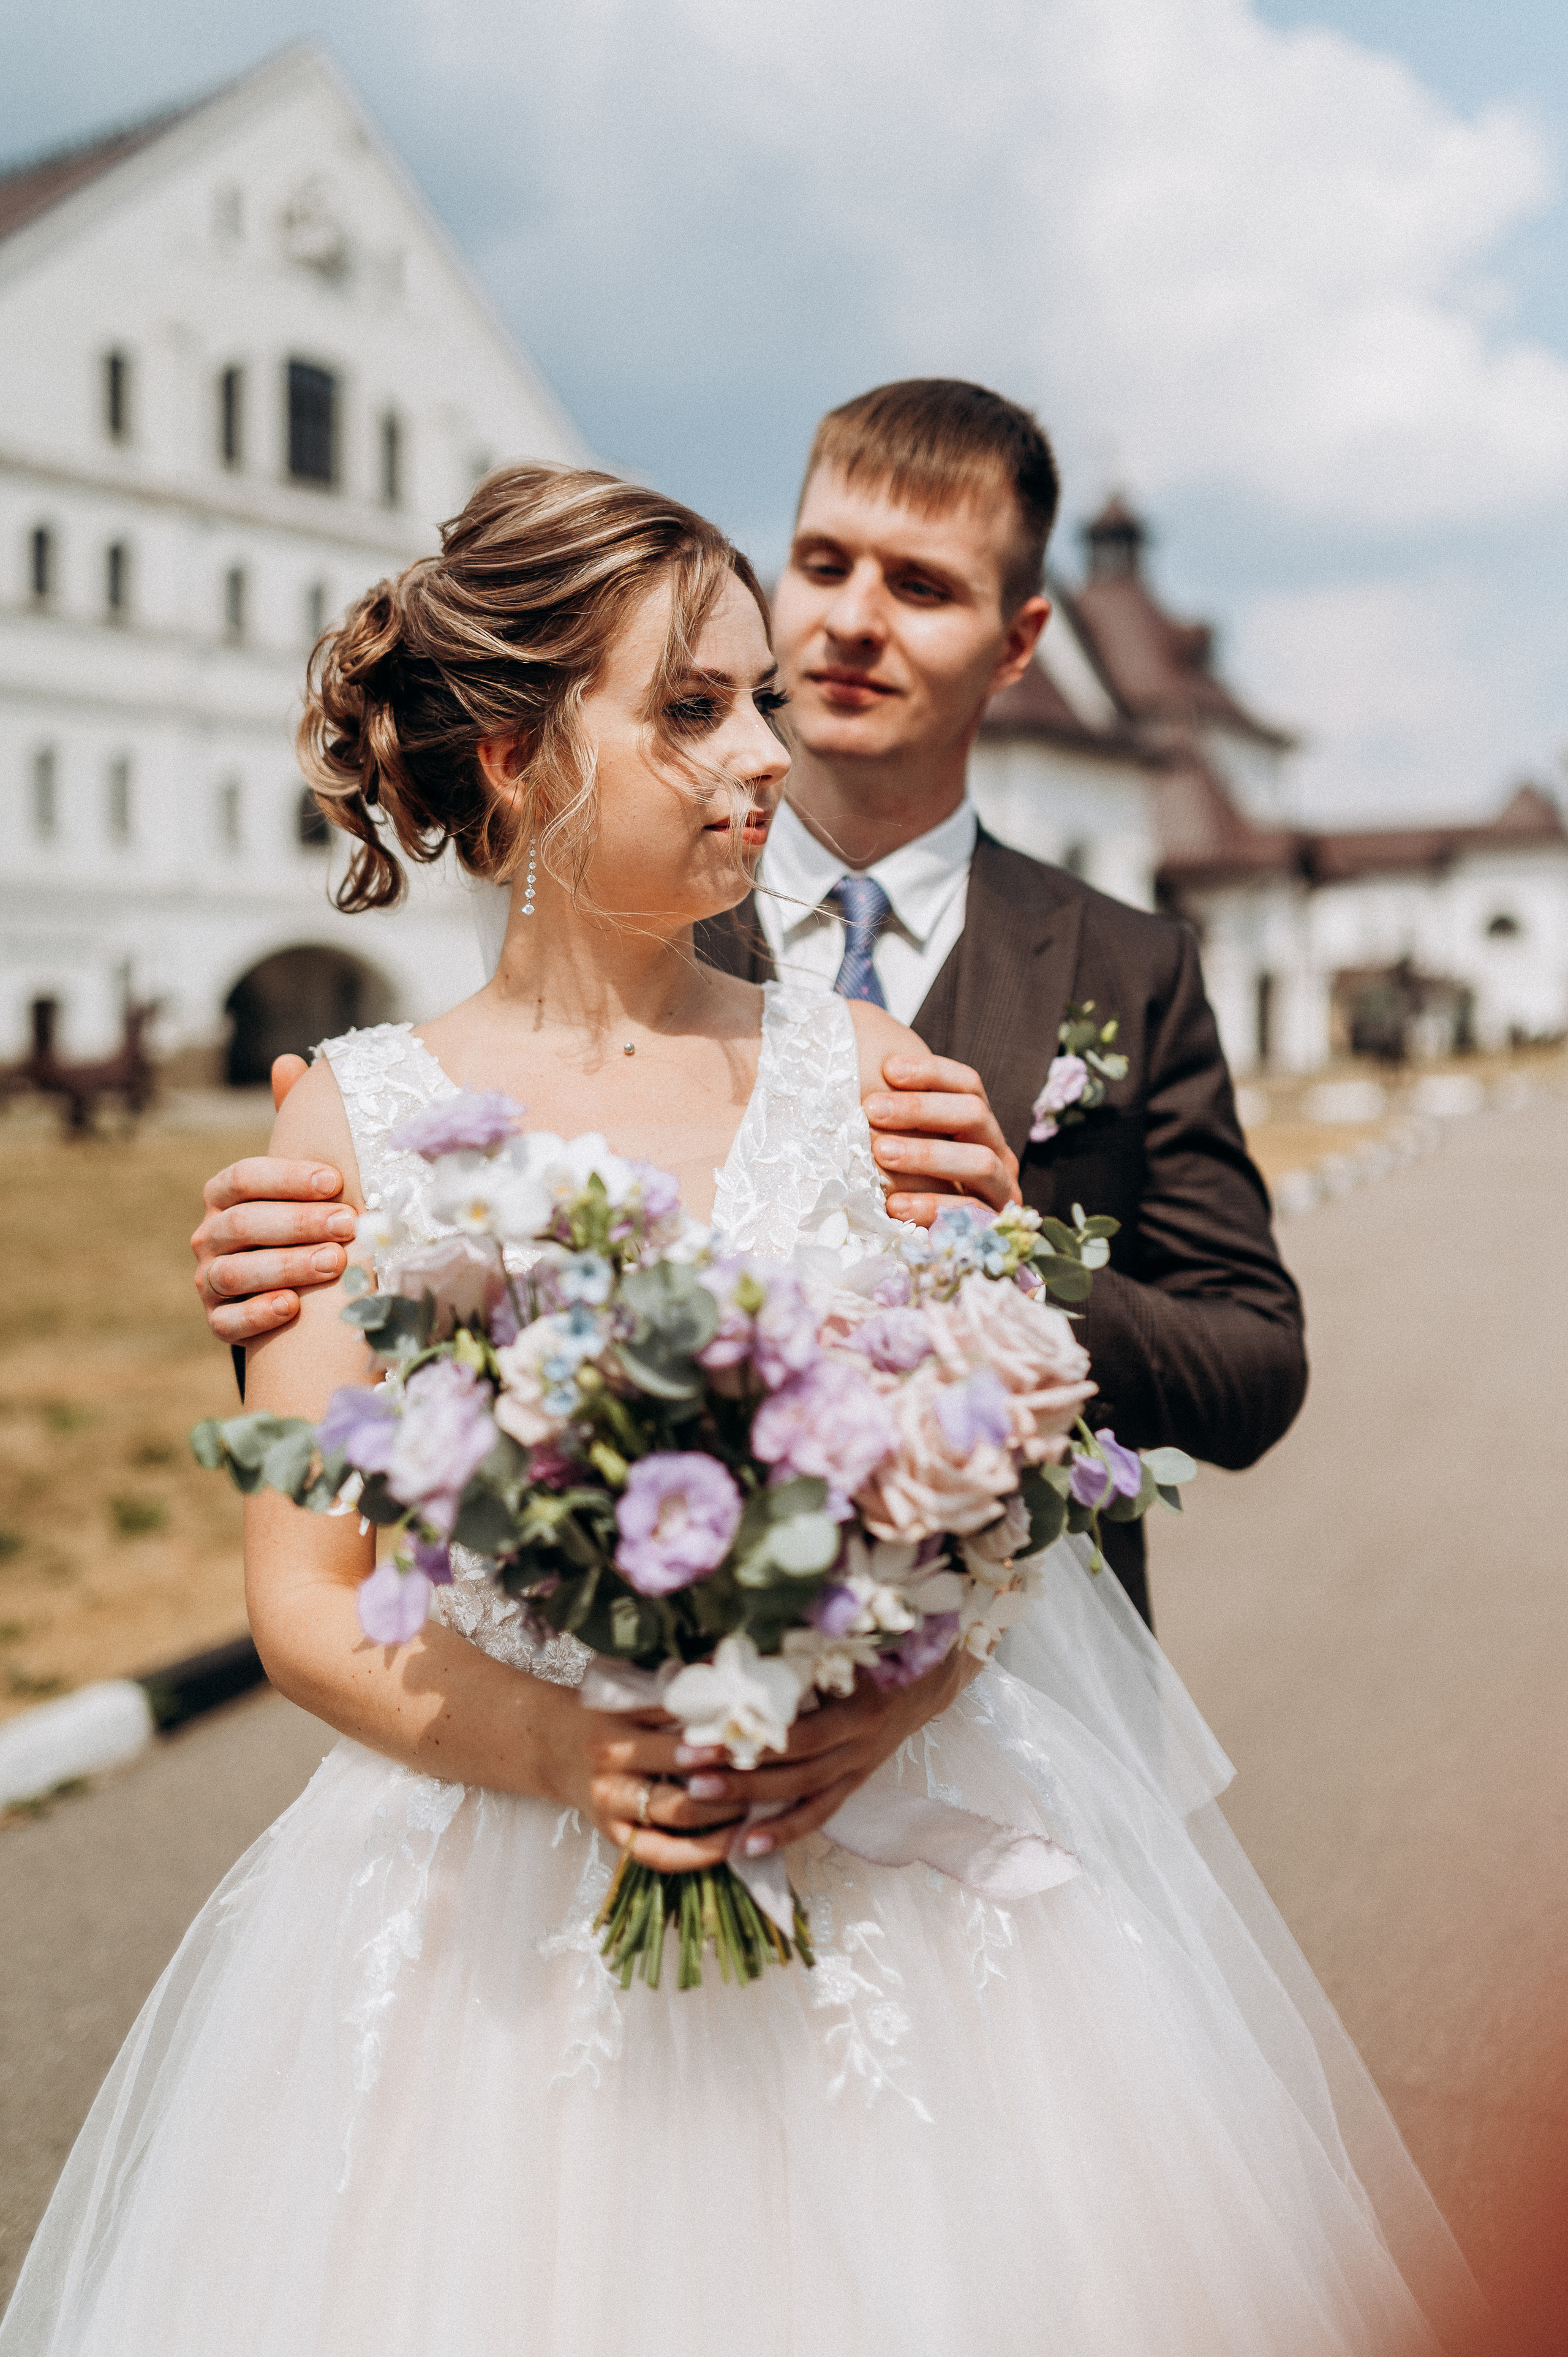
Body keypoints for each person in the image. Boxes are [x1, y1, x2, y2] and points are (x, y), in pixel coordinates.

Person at [4, 464, 1476, 2355]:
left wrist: (896, 1694)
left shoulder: (871, 1075)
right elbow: (304, 1596)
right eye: (695, 709)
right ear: (523, 757)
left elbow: (986, 1490)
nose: (764, 752)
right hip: (499, 1880)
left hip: (891, 1856)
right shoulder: (349, 1125)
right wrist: (572, 1758)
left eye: (762, 698)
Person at [190, 380, 1305, 1629]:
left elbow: (1251, 1367)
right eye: (823, 564)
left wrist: (1007, 1265)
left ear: (1016, 641)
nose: (851, 622)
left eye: (921, 586)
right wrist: (303, 1270)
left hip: (1009, 1692)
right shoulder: (619, 890)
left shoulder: (1127, 961)